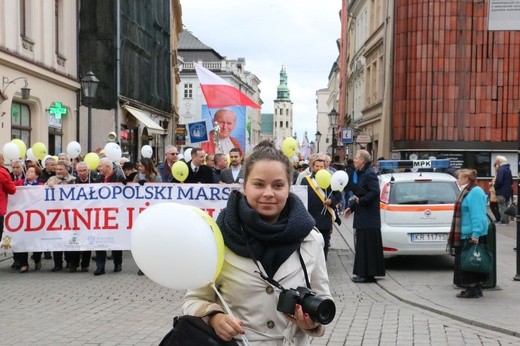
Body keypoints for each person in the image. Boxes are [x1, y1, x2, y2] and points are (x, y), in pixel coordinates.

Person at [183, 140, 332, 344]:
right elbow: (193, 299)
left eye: (278, 185)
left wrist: (313, 323)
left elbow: (324, 298)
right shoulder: (219, 238)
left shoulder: (310, 239)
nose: (268, 193)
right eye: (259, 184)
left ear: (289, 187)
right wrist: (215, 317)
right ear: (244, 186)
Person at [343, 150, 385, 283]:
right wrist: (351, 207)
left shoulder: (369, 174)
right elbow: (360, 194)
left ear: (362, 160)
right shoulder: (362, 174)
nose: (354, 160)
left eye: (356, 158)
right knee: (362, 246)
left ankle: (368, 275)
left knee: (367, 247)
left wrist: (361, 201)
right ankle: (364, 273)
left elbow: (374, 192)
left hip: (369, 218)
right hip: (364, 217)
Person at [447, 169, 489, 298]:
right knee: (470, 261)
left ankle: (473, 289)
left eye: (459, 178)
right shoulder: (467, 191)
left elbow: (478, 215)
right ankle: (475, 288)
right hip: (466, 233)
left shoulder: (474, 192)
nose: (458, 181)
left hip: (471, 234)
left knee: (471, 262)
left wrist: (475, 234)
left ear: (466, 179)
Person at [301, 154, 342, 260]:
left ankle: (322, 266)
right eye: (317, 166)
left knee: (324, 244)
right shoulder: (306, 180)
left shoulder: (331, 179)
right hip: (310, 217)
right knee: (310, 244)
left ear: (325, 167)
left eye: (321, 166)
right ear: (312, 167)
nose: (319, 169)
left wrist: (331, 201)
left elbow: (338, 195)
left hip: (325, 217)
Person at [94, 157, 126, 276]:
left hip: (114, 214)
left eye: (100, 166)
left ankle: (118, 263)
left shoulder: (118, 178)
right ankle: (100, 266)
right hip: (100, 214)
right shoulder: (98, 179)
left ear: (107, 167)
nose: (99, 168)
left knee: (115, 238)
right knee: (99, 239)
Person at [71, 162, 102, 272]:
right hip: (76, 216)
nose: (83, 173)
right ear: (77, 171)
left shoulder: (95, 182)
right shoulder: (72, 183)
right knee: (75, 240)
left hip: (90, 216)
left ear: (88, 171)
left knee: (87, 240)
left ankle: (85, 264)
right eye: (80, 171)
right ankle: (74, 264)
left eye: (84, 170)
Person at [46, 160, 76, 272]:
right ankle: (57, 263)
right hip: (55, 214)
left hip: (69, 214)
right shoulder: (52, 180)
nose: (58, 171)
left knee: (68, 238)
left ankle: (69, 261)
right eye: (57, 169)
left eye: (60, 169)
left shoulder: (73, 180)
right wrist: (47, 185)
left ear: (66, 169)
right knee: (57, 239)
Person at [13, 166, 43, 273]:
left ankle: (37, 259)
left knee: (35, 240)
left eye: (31, 171)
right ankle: (23, 264)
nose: (28, 173)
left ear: (37, 175)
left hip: (36, 217)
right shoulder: (19, 184)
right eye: (28, 171)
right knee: (22, 240)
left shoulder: (41, 186)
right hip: (21, 217)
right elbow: (10, 188)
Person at [494, 155, 513, 225]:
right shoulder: (508, 169)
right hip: (508, 191)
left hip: (501, 191)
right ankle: (507, 221)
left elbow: (499, 180)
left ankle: (503, 221)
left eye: (496, 161)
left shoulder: (501, 169)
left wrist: (495, 186)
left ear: (499, 161)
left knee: (502, 207)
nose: (496, 163)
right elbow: (511, 181)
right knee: (506, 206)